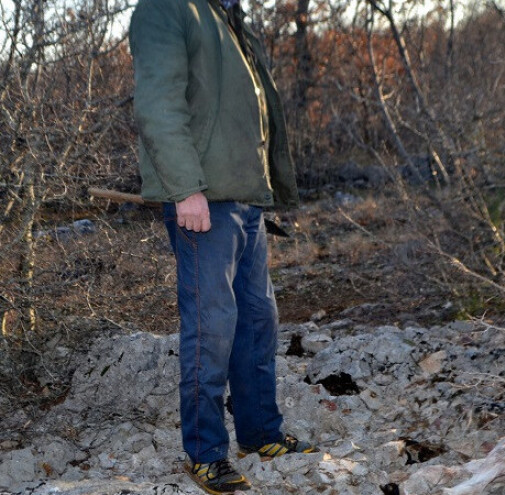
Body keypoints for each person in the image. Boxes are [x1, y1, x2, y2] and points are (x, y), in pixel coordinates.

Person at [129, 0, 314, 491]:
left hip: (245, 201)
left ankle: (260, 432)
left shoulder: (226, 16)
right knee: (211, 328)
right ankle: (206, 452)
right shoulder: (166, 9)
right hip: (203, 202)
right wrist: (185, 187)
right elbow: (157, 103)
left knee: (257, 321)